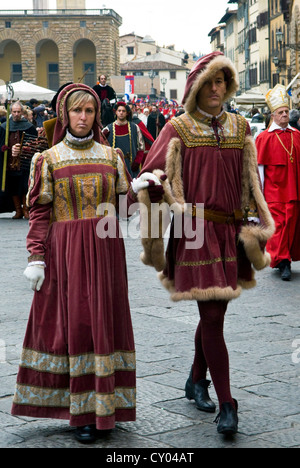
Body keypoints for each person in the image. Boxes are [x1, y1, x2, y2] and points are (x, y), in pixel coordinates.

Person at [131, 52, 274, 436]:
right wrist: (154, 187)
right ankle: (228, 404)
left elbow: (251, 183)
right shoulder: (177, 128)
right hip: (195, 232)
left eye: (222, 82)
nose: (216, 89)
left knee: (215, 314)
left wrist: (255, 223)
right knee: (211, 317)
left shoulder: (241, 126)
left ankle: (196, 378)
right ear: (196, 87)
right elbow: (149, 173)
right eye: (210, 82)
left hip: (230, 231)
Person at [11, 83, 136, 444]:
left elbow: (126, 210)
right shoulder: (47, 159)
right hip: (66, 254)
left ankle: (106, 406)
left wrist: (147, 189)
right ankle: (80, 412)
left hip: (107, 251)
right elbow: (39, 213)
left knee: (105, 325)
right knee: (77, 325)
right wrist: (36, 256)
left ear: (98, 115)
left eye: (90, 111)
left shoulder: (112, 156)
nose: (83, 117)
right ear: (65, 115)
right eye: (77, 111)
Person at [256, 84, 300, 281]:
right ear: (273, 115)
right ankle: (283, 262)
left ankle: (285, 259)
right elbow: (260, 170)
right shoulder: (264, 138)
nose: (284, 115)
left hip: (294, 191)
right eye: (281, 112)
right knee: (279, 226)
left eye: (286, 111)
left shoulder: (297, 136)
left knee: (291, 225)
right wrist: (260, 195)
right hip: (274, 193)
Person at [0, 101, 38, 218]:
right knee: (12, 186)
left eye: (18, 112)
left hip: (24, 162)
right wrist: (3, 148)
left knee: (24, 186)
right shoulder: (4, 127)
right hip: (9, 162)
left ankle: (25, 209)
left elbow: (34, 143)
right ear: (11, 112)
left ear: (22, 112)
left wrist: (24, 149)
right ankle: (18, 210)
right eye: (14, 112)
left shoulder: (29, 127)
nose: (16, 114)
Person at [103, 101, 145, 177]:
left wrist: (137, 162)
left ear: (127, 113)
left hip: (131, 167)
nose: (121, 113)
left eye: (123, 111)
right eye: (119, 111)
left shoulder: (135, 128)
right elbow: (100, 147)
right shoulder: (108, 129)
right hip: (114, 167)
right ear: (116, 112)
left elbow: (141, 148)